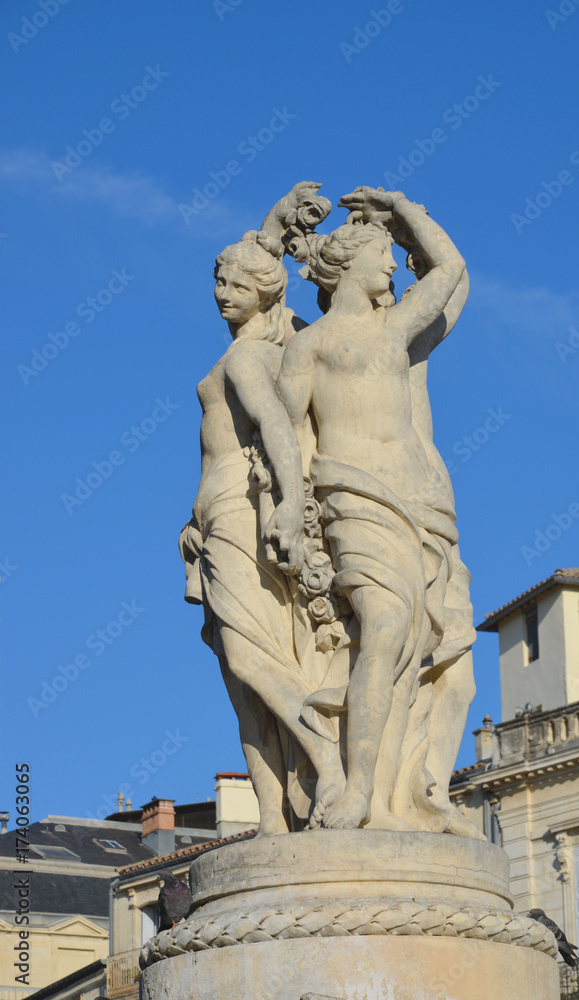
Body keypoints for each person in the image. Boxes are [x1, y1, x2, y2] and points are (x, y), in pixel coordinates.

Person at [276, 187, 469, 830]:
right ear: (350, 266)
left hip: (419, 503)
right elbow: (287, 437)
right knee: (386, 626)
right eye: (384, 255)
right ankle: (357, 790)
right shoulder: (309, 347)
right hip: (353, 496)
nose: (392, 266)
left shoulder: (395, 328)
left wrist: (404, 209)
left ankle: (389, 787)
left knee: (414, 641)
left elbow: (448, 270)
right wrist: (290, 516)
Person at [180, 217, 345, 834]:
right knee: (239, 673)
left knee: (251, 656)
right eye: (218, 281)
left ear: (266, 293)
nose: (223, 291)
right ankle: (273, 818)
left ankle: (327, 759)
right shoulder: (255, 349)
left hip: (236, 509)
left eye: (236, 284)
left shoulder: (249, 357)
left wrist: (289, 506)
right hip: (214, 518)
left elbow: (276, 428)